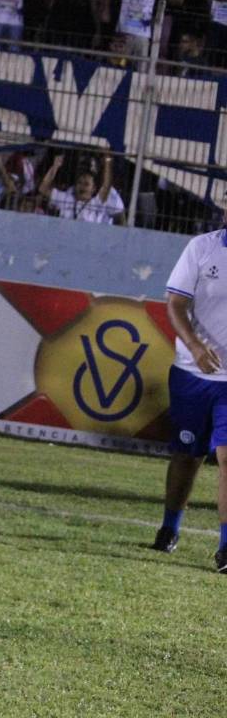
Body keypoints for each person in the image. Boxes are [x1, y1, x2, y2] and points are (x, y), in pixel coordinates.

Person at [151, 227, 227, 574]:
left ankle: (226, 548)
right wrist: (196, 347)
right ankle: (170, 527)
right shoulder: (201, 248)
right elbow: (176, 303)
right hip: (191, 373)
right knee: (187, 456)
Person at [38, 152, 123, 223]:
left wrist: (108, 161)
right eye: (79, 183)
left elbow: (106, 186)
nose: (82, 187)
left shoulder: (97, 203)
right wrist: (55, 166)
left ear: (93, 189)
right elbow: (43, 188)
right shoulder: (66, 199)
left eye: (86, 184)